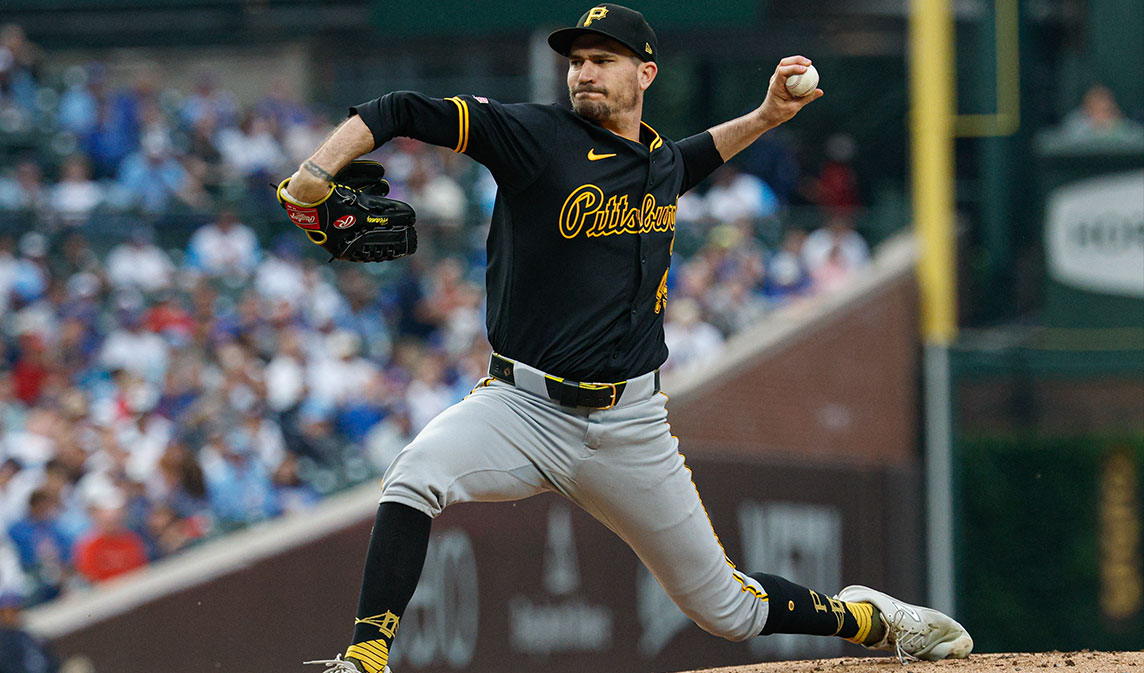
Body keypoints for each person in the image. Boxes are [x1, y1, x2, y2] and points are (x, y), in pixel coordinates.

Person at [281, 6, 972, 673]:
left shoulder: (657, 162)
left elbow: (690, 158)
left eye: (602, 61)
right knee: (414, 474)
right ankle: (366, 657)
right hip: (521, 409)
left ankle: (870, 618)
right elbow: (401, 108)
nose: (583, 72)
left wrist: (764, 118)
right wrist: (317, 173)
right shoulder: (533, 136)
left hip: (630, 424)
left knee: (725, 609)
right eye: (577, 61)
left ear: (645, 74)